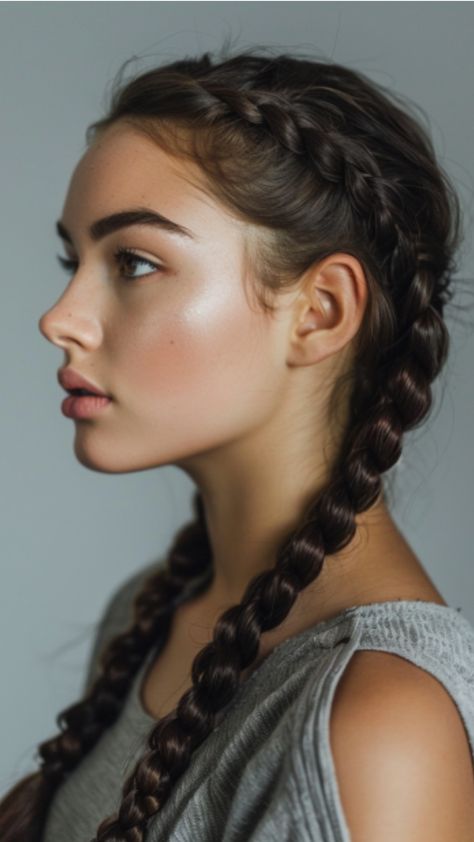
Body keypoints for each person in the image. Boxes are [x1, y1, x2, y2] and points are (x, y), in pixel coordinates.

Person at [2, 45, 474, 842]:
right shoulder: (150, 613)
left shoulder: (381, 724)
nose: (60, 317)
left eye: (135, 262)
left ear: (320, 310)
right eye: (71, 259)